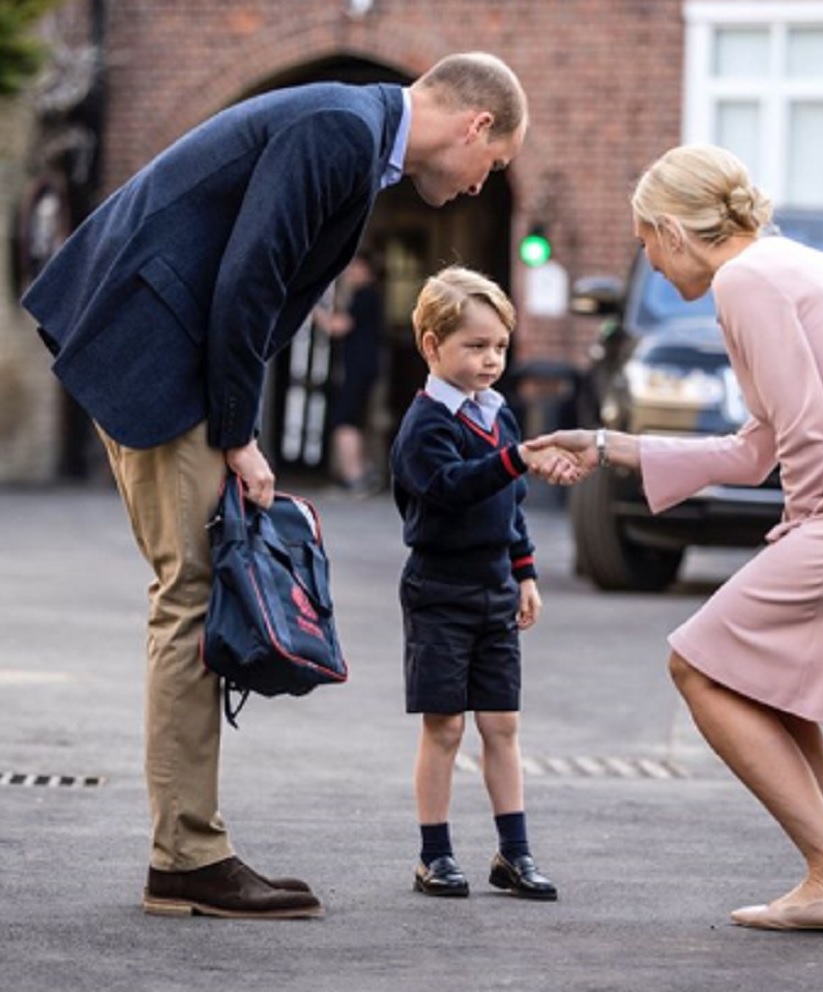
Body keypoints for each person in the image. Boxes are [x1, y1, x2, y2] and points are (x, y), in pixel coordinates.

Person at [20, 52, 529, 920]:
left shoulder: (356, 133)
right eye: (497, 164)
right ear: (476, 125)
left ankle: (187, 851)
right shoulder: (341, 129)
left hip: (163, 347)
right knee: (189, 595)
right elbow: (248, 279)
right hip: (158, 352)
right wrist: (238, 432)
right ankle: (186, 857)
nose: (486, 185)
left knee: (188, 589)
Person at [529, 144, 823, 934]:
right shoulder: (800, 267)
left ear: (673, 230)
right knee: (772, 681)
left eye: (645, 245)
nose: (654, 268)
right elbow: (753, 446)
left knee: (697, 663)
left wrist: (800, 528)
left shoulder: (745, 281)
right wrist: (604, 444)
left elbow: (803, 432)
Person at [390, 267, 566, 901]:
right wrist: (516, 459)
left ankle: (513, 854)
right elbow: (453, 488)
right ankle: (433, 855)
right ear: (432, 346)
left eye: (499, 346)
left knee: (502, 724)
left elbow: (509, 503)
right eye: (475, 345)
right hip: (439, 590)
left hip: (495, 588)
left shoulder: (499, 415)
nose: (491, 360)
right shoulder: (425, 426)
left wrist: (524, 573)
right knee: (445, 726)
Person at [312, 251, 385, 495]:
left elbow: (338, 327)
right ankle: (359, 472)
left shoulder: (365, 295)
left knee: (343, 419)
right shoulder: (368, 295)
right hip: (364, 367)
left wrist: (311, 307)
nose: (349, 273)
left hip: (357, 367)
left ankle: (354, 477)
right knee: (352, 419)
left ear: (366, 270)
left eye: (354, 268)